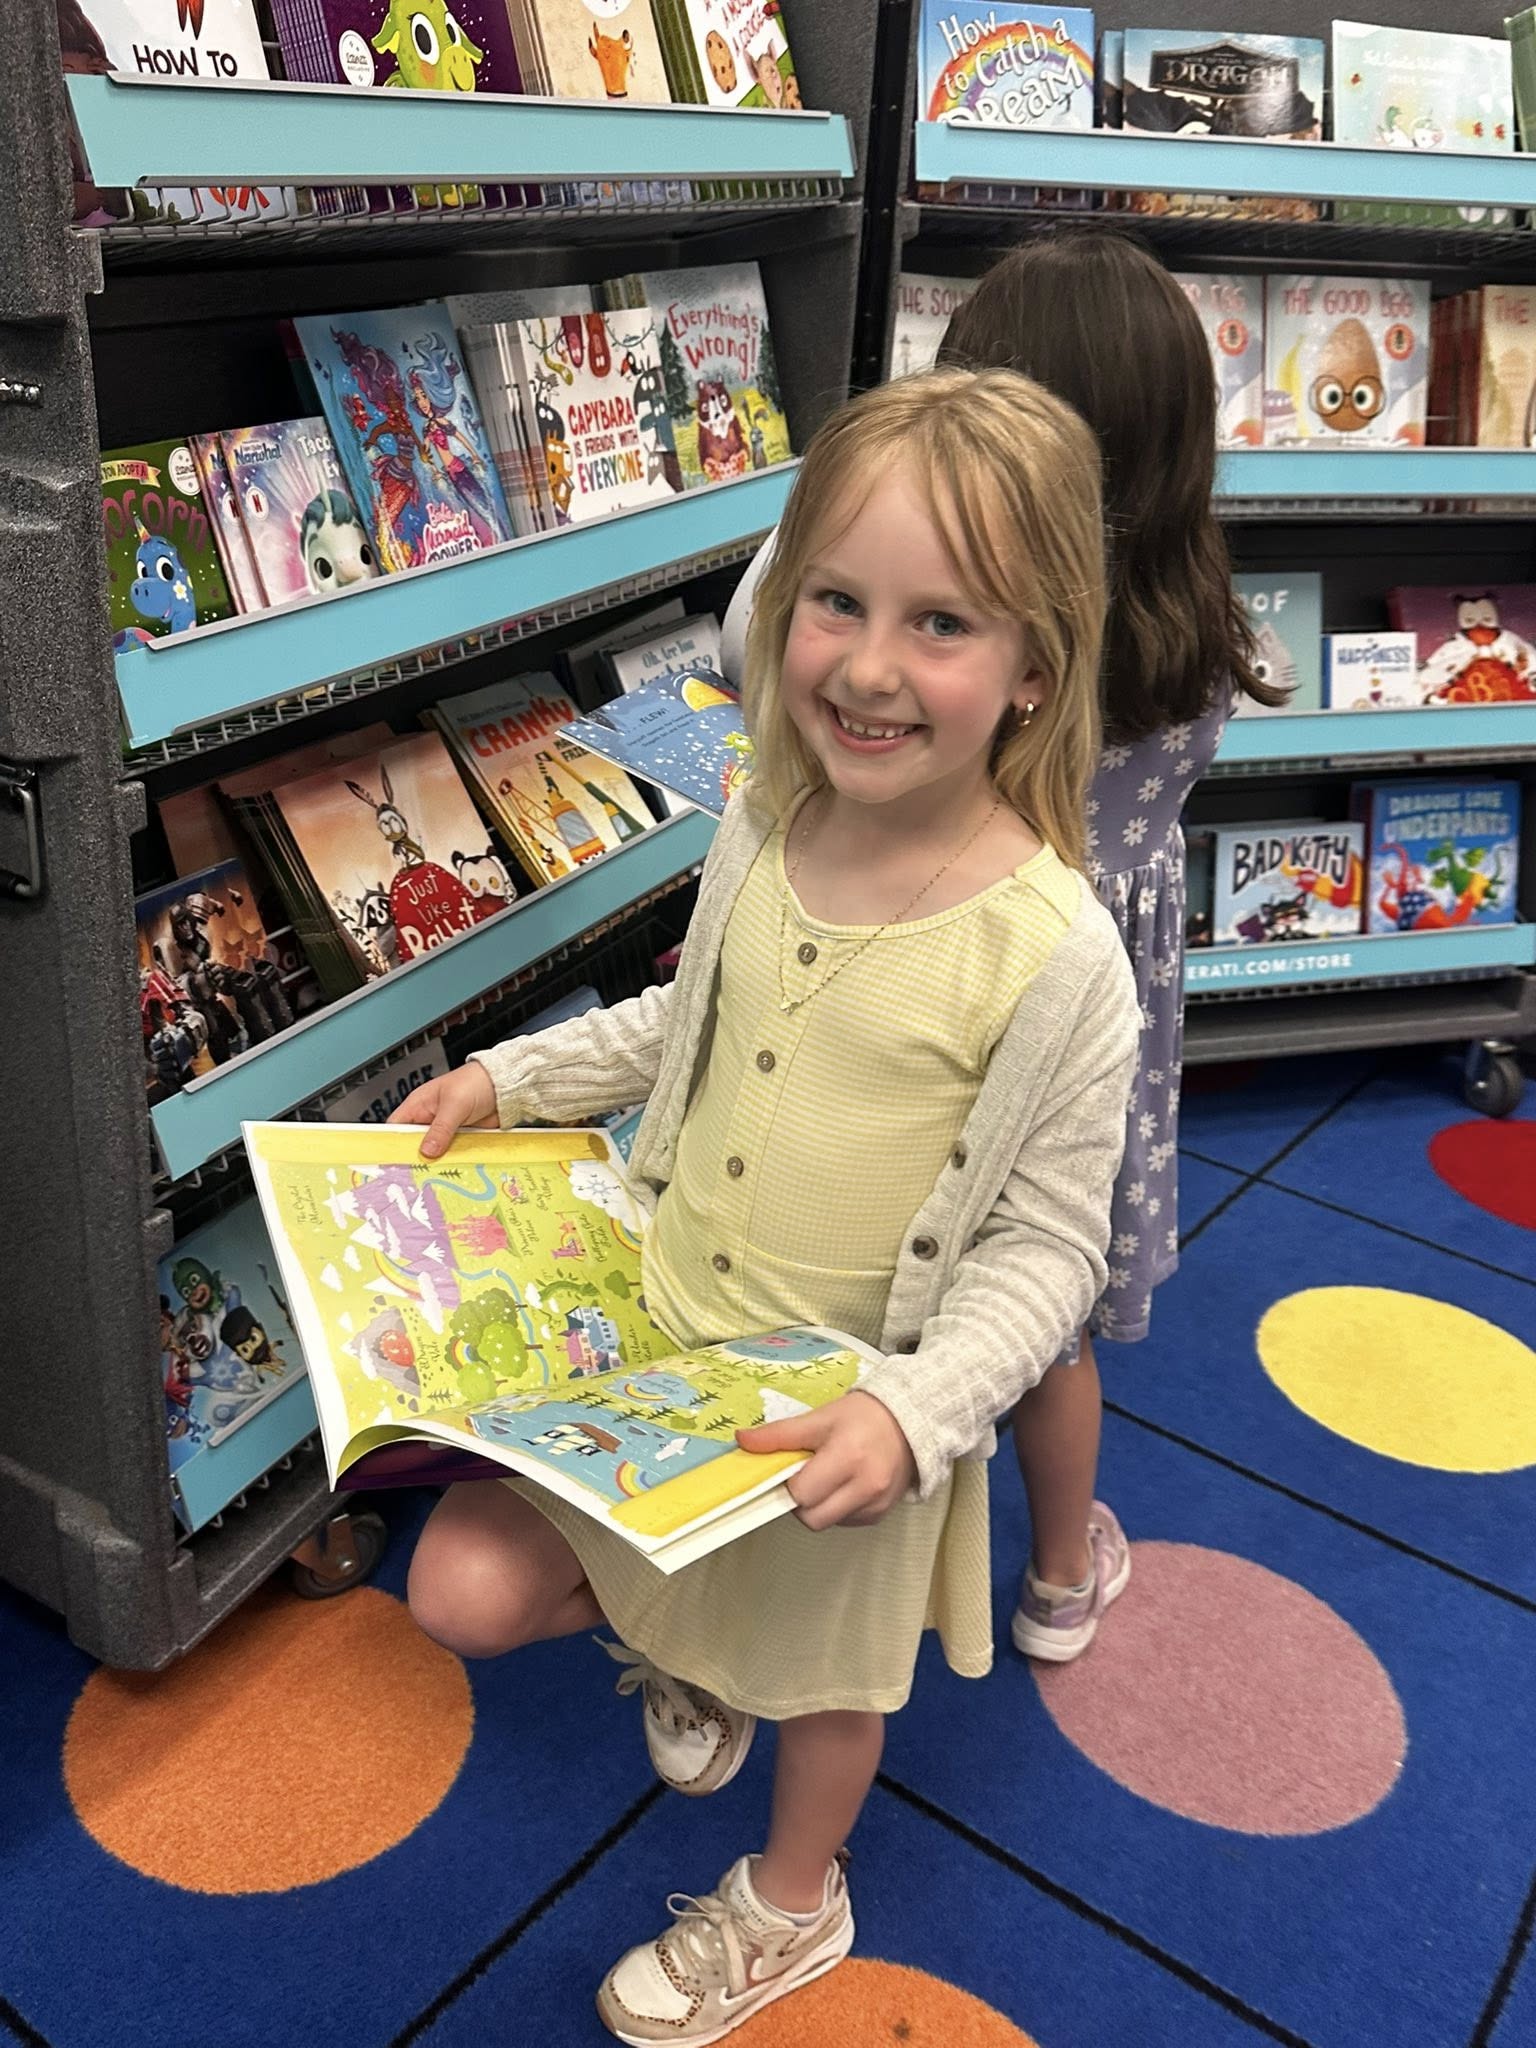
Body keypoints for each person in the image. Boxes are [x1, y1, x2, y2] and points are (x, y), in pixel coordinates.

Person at [392, 368, 1139, 2045]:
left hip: (837, 1409)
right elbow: (686, 1024)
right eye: (836, 601)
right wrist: (518, 1080)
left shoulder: (1056, 952)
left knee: (822, 1690)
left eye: (941, 622)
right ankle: (684, 1641)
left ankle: (795, 1903)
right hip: (656, 1341)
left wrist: (920, 1408)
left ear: (1036, 667)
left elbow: (1047, 1249)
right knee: (459, 1592)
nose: (869, 666)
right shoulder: (762, 815)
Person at [721, 226, 1278, 1668]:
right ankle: (1056, 1579)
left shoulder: (997, 650)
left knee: (850, 1269)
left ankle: (752, 1576)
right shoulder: (1194, 625)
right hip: (1093, 1010)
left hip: (919, 978)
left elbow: (747, 642)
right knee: (1052, 1307)